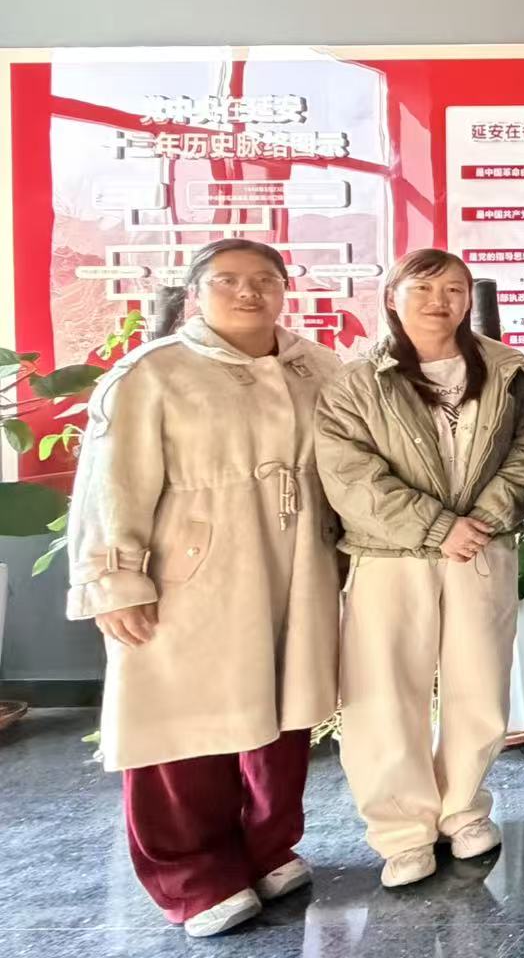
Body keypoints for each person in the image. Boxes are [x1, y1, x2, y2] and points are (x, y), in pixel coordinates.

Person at [65, 239, 341, 938]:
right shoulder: (153, 373)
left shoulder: (317, 366)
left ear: (284, 289)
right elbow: (109, 484)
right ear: (196, 291)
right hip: (192, 569)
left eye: (264, 279)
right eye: (229, 281)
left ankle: (266, 845)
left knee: (282, 709)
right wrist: (116, 577)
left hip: (298, 563)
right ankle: (193, 875)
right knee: (183, 718)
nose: (249, 292)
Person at [316, 249, 524, 886]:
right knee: (384, 692)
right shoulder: (355, 382)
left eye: (454, 289)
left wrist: (484, 519)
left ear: (470, 299)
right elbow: (351, 475)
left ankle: (463, 809)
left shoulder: (510, 372)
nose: (439, 301)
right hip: (391, 555)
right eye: (423, 288)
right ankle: (402, 830)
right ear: (392, 296)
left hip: (481, 547)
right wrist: (439, 527)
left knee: (480, 684)